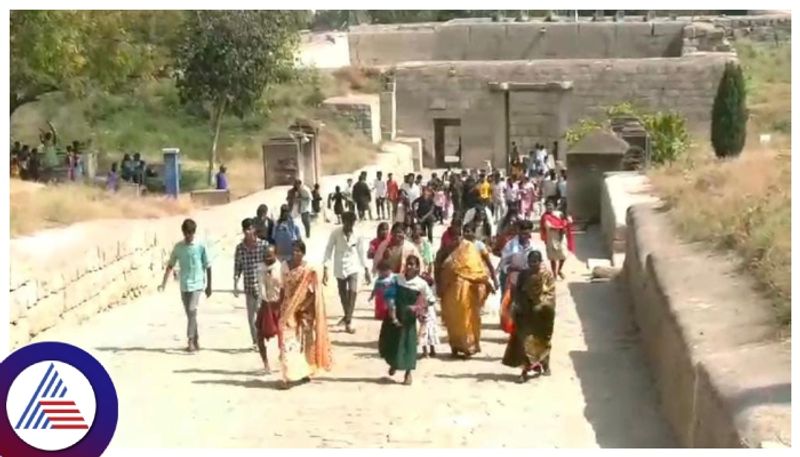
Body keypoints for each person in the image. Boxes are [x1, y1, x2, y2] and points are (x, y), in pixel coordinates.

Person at [276, 240, 332, 388]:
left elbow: (315, 291)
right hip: (288, 308)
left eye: (298, 251)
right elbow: (283, 287)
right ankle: (286, 376)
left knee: (306, 341)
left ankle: (306, 370)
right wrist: (280, 307)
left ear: (303, 253)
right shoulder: (284, 266)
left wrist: (306, 306)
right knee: (287, 342)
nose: (296, 253)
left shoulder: (309, 269)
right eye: (293, 250)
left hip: (305, 309)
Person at [435, 224, 496, 358]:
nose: (455, 240)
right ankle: (455, 346)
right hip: (449, 291)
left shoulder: (469, 249)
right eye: (452, 238)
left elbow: (477, 270)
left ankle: (469, 346)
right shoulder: (444, 251)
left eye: (458, 237)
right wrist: (438, 286)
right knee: (452, 320)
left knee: (468, 318)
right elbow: (437, 267)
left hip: (468, 291)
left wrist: (487, 282)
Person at [158, 218, 212, 352]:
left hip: (197, 284)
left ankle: (190, 340)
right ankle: (196, 338)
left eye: (190, 233)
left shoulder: (200, 246)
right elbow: (170, 265)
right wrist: (163, 283)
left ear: (194, 232)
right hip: (184, 285)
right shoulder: (178, 247)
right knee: (190, 314)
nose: (188, 236)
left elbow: (208, 265)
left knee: (192, 309)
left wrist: (209, 285)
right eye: (186, 233)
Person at [378, 255, 434, 385]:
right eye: (408, 263)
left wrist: (418, 307)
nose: (409, 266)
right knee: (392, 342)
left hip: (408, 319)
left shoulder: (421, 284)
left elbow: (431, 300)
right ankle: (394, 363)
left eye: (412, 264)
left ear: (417, 267)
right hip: (394, 316)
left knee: (409, 345)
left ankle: (408, 373)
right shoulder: (398, 279)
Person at [502, 250, 556, 382]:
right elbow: (518, 291)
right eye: (530, 262)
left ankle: (545, 364)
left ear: (540, 261)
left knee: (541, 341)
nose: (533, 265)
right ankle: (525, 370)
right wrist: (516, 305)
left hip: (541, 314)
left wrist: (540, 305)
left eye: (535, 262)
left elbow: (551, 294)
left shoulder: (547, 275)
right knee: (524, 341)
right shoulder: (523, 274)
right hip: (525, 313)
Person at [322, 211, 370, 334]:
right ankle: (347, 316)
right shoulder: (335, 233)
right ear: (343, 222)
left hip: (353, 266)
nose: (349, 226)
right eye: (347, 223)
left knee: (353, 292)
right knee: (343, 294)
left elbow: (361, 252)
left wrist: (366, 269)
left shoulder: (358, 234)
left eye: (351, 224)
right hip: (339, 266)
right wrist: (326, 268)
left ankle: (348, 320)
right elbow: (328, 250)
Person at [233, 218, 270, 348]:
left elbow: (270, 263)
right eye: (245, 230)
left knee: (260, 315)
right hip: (248, 286)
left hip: (261, 286)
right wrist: (235, 284)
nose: (247, 232)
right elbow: (237, 267)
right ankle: (256, 341)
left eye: (249, 229)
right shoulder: (240, 248)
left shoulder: (263, 245)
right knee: (251, 317)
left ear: (254, 229)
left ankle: (261, 337)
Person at [256, 245, 283, 373]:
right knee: (259, 334)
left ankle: (284, 358)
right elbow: (260, 285)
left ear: (275, 255)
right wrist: (264, 300)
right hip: (265, 304)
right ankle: (265, 363)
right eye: (265, 255)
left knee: (283, 334)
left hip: (278, 304)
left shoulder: (281, 268)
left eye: (269, 255)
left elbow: (283, 287)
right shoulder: (260, 268)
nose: (267, 258)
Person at [540, 199, 575, 280]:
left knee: (563, 255)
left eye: (551, 205)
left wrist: (567, 223)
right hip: (551, 238)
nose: (549, 207)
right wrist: (560, 227)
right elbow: (549, 227)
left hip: (561, 238)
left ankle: (559, 270)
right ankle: (554, 274)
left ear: (554, 206)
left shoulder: (559, 214)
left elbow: (566, 221)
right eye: (547, 205)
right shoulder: (545, 217)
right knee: (553, 258)